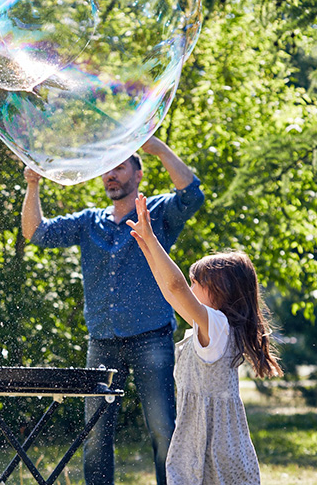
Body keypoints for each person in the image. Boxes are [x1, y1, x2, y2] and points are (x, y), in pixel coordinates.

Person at [21, 137, 205, 485]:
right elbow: (36, 233)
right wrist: (33, 185)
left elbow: (192, 196)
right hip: (102, 342)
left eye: (120, 167)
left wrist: (160, 149)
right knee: (95, 436)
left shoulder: (156, 213)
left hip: (152, 338)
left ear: (138, 175)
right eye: (107, 169)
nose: (111, 174)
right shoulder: (89, 221)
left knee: (164, 429)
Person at [127, 193, 282, 484]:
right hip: (201, 439)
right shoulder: (210, 328)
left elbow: (176, 287)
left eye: (195, 283)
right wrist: (147, 247)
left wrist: (154, 239)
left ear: (220, 291)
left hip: (213, 446)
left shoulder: (218, 326)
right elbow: (170, 292)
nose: (190, 288)